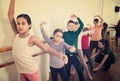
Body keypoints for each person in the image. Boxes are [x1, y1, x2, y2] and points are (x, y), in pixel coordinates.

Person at [8, 0, 68, 81]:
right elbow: (10, 15)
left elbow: (46, 48)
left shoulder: (32, 38)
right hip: (21, 71)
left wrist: (60, 55)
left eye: (23, 23)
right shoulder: (16, 34)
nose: (20, 26)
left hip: (31, 71)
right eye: (18, 23)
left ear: (29, 25)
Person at [63, 14, 85, 81]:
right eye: (69, 25)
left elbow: (82, 25)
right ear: (67, 26)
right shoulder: (64, 33)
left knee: (80, 71)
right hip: (67, 56)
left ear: (74, 26)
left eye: (72, 26)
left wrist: (77, 17)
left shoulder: (76, 33)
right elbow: (57, 38)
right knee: (67, 72)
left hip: (74, 56)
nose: (71, 27)